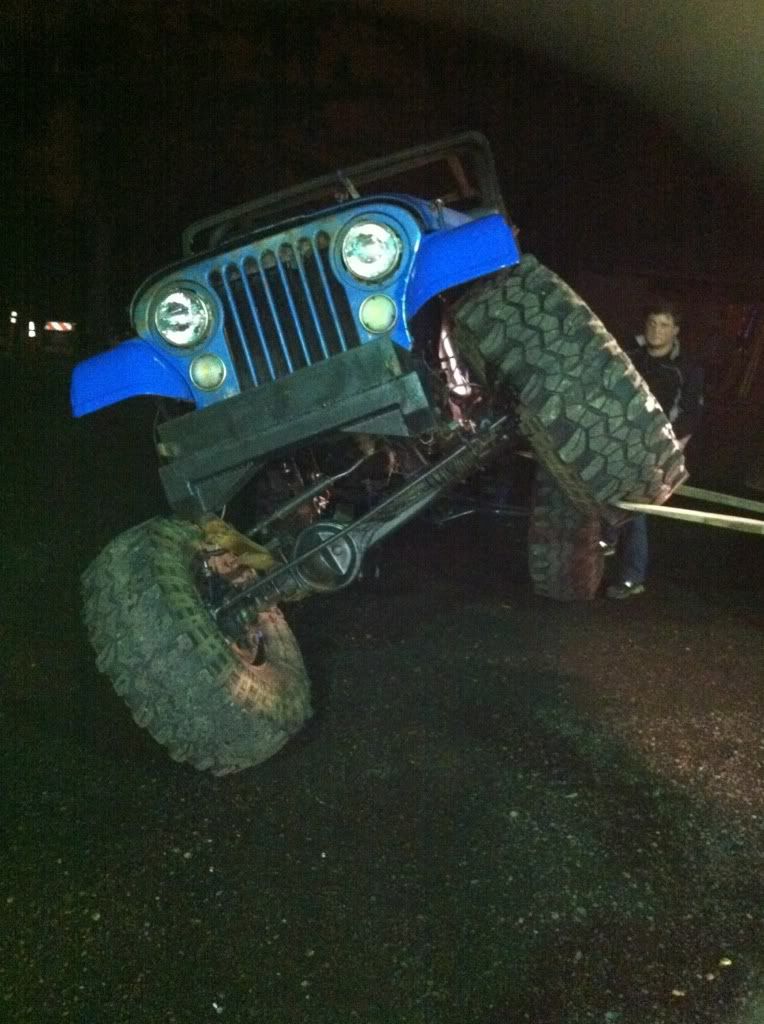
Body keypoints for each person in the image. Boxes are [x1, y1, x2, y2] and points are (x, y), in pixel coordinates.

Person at [604, 301, 705, 598]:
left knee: (637, 509)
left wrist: (670, 451)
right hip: (619, 439)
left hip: (659, 448)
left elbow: (690, 414)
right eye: (651, 323)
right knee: (605, 492)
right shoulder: (631, 355)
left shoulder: (686, 368)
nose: (655, 331)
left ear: (675, 331)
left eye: (663, 325)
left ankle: (630, 577)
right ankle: (606, 546)